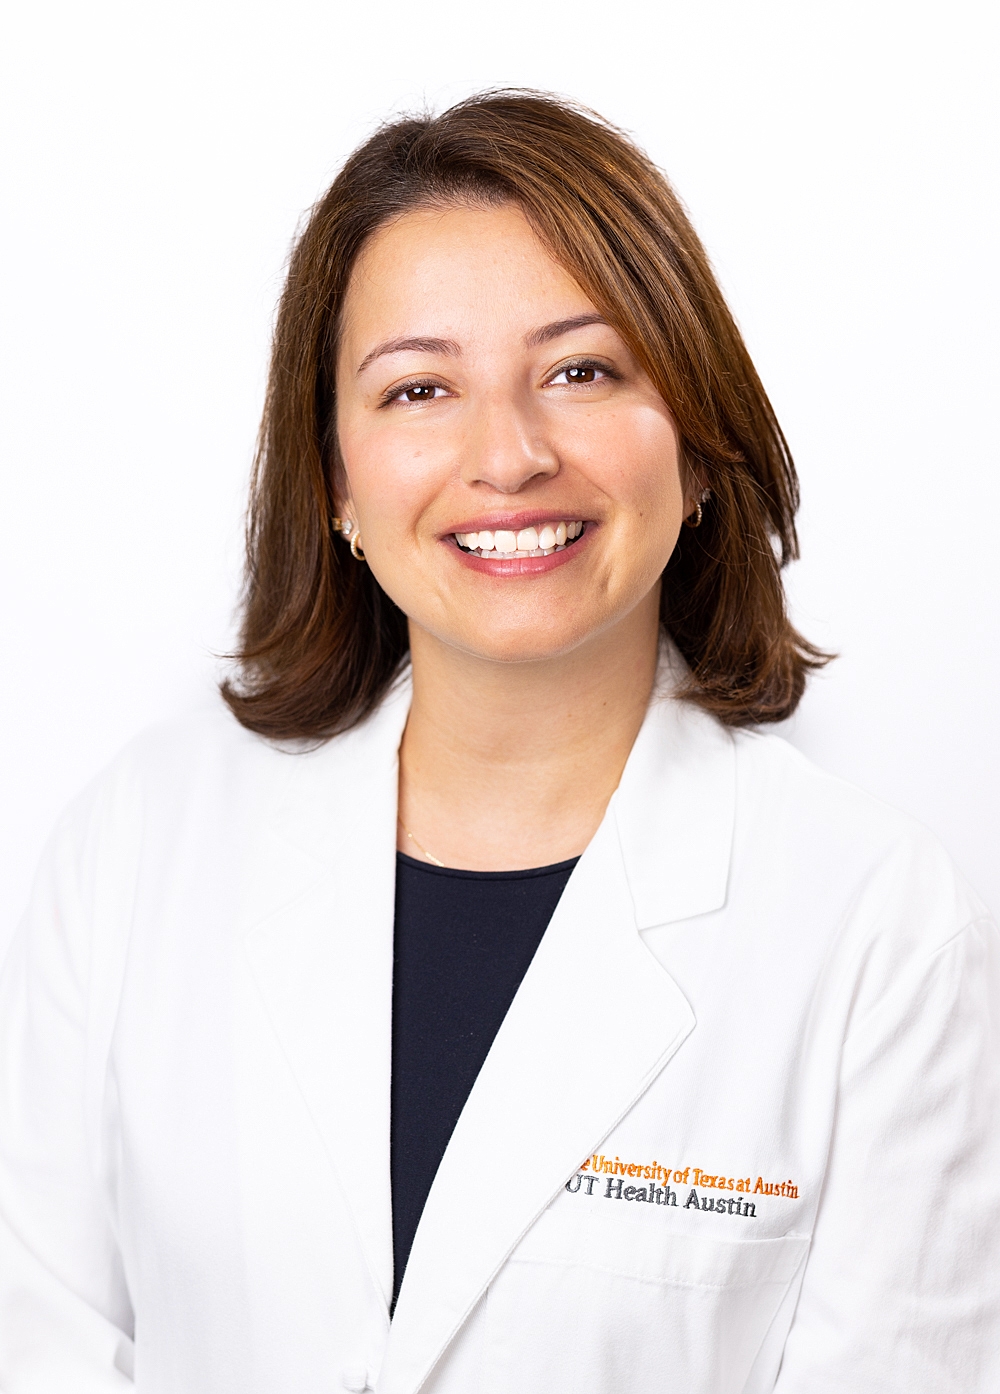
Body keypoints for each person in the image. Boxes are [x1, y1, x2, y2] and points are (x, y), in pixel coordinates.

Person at [0, 89, 997, 1394]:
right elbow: (41, 1340)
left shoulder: (875, 923)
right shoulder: (138, 845)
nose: (510, 454)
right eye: (419, 388)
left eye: (582, 370)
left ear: (694, 443)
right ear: (339, 481)